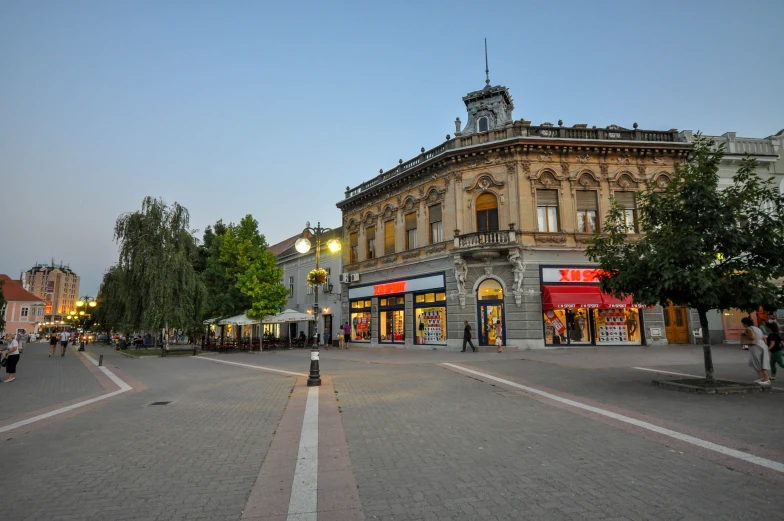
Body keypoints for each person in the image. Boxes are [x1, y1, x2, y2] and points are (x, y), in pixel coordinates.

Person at [741, 317, 770, 386]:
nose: (742, 325)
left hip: (755, 346)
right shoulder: (757, 328)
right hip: (762, 345)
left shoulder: (748, 329)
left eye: (743, 323)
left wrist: (744, 336)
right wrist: (764, 345)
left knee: (759, 362)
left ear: (746, 323)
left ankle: (766, 379)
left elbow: (752, 337)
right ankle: (763, 377)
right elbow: (764, 338)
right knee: (756, 362)